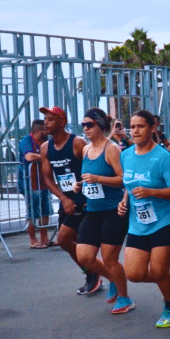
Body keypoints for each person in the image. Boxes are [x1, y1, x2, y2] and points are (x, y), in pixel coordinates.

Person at [118, 110, 170, 328]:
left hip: (164, 218)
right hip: (138, 221)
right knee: (134, 274)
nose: (135, 131)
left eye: (141, 126)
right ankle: (166, 276)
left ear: (152, 128)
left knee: (157, 270)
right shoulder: (126, 155)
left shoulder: (163, 157)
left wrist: (151, 192)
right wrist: (124, 200)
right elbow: (128, 185)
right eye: (132, 126)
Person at [39, 106, 112, 296]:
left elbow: (94, 167)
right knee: (65, 241)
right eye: (45, 119)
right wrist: (63, 198)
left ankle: (106, 276)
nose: (46, 123)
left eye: (51, 119)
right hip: (68, 202)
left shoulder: (77, 143)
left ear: (62, 122)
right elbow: (48, 178)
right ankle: (94, 274)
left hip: (87, 202)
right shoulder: (45, 148)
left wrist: (89, 194)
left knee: (80, 244)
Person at [73, 108, 132, 314]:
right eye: (83, 125)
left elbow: (123, 179)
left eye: (89, 125)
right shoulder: (86, 150)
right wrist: (80, 186)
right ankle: (112, 279)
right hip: (93, 210)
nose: (86, 129)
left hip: (113, 211)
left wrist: (98, 179)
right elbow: (88, 177)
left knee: (110, 258)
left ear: (101, 126)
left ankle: (125, 298)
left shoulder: (112, 149)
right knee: (84, 256)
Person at [18, 119, 50, 248]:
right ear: (38, 130)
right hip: (29, 182)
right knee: (32, 211)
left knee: (45, 210)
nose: (48, 131)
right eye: (45, 129)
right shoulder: (26, 140)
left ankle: (44, 237)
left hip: (44, 181)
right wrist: (48, 157)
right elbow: (29, 157)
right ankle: (33, 240)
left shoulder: (47, 142)